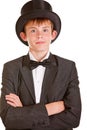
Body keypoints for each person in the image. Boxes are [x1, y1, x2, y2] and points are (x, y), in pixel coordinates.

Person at [0, 0, 81, 130]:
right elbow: (8, 118)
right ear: (24, 36)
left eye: (45, 30)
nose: (39, 36)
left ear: (53, 34)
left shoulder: (68, 67)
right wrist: (51, 108)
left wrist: (24, 113)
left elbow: (73, 118)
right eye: (33, 30)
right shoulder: (11, 67)